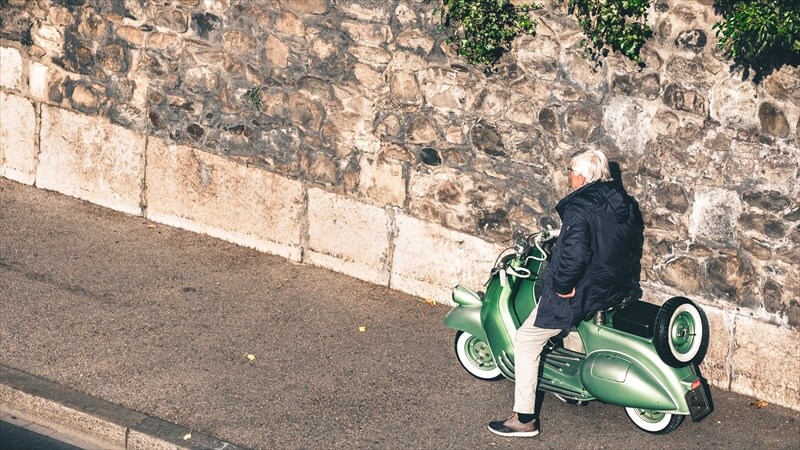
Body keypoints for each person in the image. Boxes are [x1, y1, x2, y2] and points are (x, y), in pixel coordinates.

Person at [488, 148, 644, 437]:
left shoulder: (579, 207)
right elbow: (607, 238)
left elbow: (577, 253)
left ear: (583, 176)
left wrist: (561, 286)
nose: (569, 175)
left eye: (571, 171)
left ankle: (523, 419)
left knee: (526, 339)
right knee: (561, 326)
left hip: (586, 289)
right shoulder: (620, 200)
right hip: (616, 284)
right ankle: (567, 383)